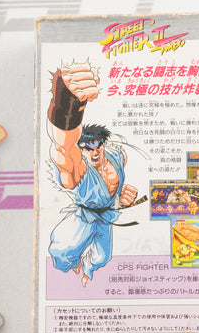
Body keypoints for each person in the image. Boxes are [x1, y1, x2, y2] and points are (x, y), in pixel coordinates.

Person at [46, 63, 138, 286]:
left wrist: (122, 197)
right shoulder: (78, 171)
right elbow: (63, 149)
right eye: (87, 149)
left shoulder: (118, 156)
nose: (93, 153)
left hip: (107, 216)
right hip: (84, 218)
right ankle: (71, 270)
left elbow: (116, 187)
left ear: (103, 145)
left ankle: (87, 268)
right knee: (61, 252)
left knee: (101, 258)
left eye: (97, 147)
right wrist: (67, 106)